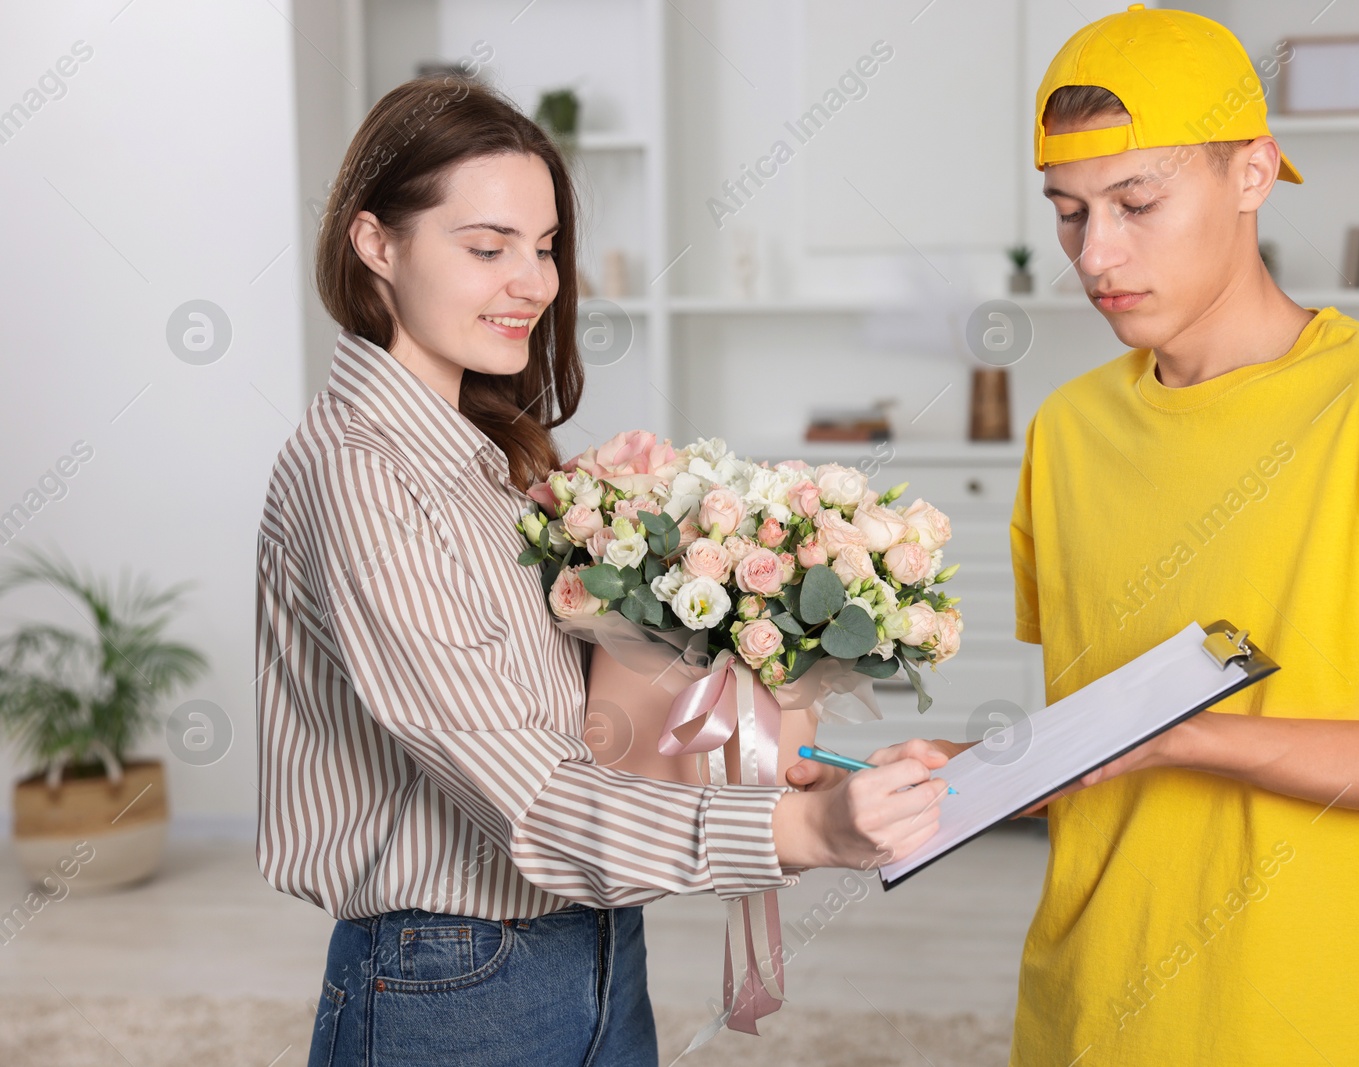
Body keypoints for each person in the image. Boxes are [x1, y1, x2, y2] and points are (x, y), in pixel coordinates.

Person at [253, 75, 947, 1067]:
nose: (534, 281)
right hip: (448, 974)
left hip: (594, 939)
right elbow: (529, 796)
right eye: (487, 247)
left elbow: (580, 727)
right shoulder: (361, 471)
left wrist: (799, 762)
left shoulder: (481, 459)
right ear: (376, 244)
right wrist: (807, 829)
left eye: (543, 248)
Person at [929, 6, 1359, 1064]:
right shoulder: (1068, 429)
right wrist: (930, 778)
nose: (1096, 252)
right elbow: (1099, 765)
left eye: (1137, 202)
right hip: (1089, 1008)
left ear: (1251, 174)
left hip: (1318, 1018)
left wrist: (1186, 737)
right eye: (1069, 212)